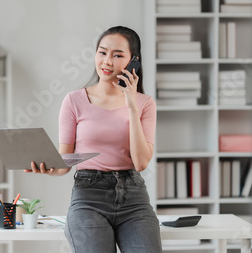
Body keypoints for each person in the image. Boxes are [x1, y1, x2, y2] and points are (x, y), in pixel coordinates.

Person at [26, 26, 162, 253]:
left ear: (133, 61)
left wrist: (131, 105)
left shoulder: (144, 103)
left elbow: (140, 163)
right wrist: (50, 167)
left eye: (118, 55)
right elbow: (65, 162)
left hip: (134, 198)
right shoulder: (74, 101)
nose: (107, 61)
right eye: (102, 52)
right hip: (89, 197)